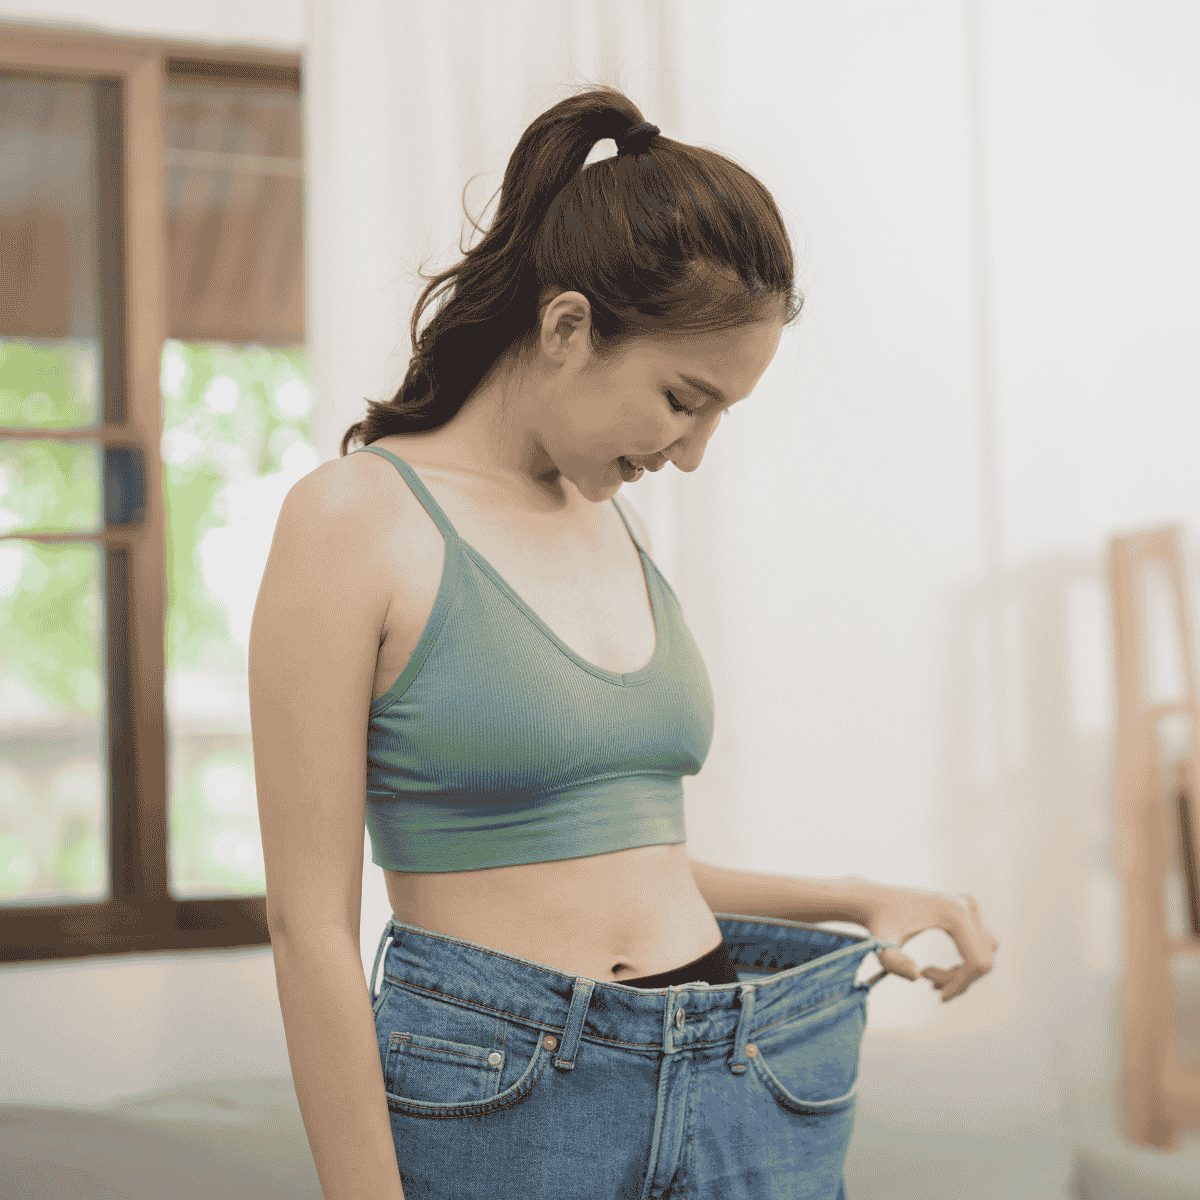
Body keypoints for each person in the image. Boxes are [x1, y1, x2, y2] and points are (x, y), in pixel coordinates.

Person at [249, 83, 997, 1200]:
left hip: (744, 1067)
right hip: (517, 1100)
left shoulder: (614, 520)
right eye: (681, 400)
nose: (690, 453)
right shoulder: (355, 520)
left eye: (719, 418)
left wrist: (855, 895)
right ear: (566, 327)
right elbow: (310, 924)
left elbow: (612, 859)